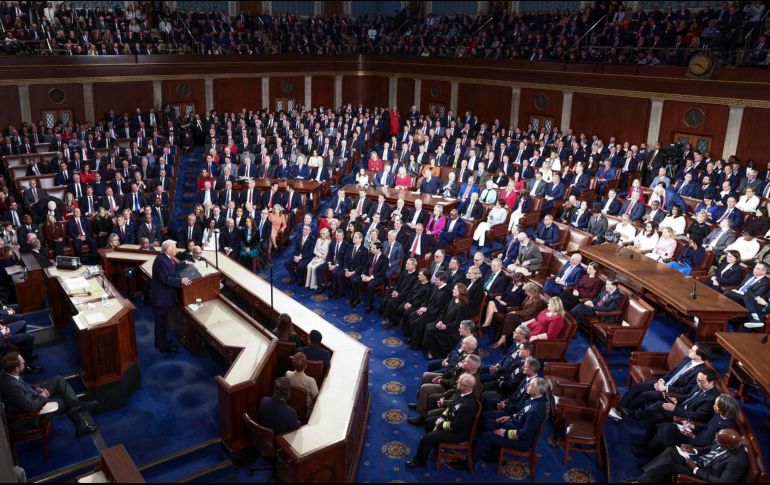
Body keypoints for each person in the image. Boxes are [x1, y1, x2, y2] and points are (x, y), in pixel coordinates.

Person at [0, 352, 98, 437]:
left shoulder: (8, 373)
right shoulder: (12, 387)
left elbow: (24, 385)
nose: (25, 362)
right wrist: (42, 396)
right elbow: (30, 407)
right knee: (64, 402)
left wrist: (36, 389)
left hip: (32, 396)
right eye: (23, 362)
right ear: (16, 369)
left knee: (58, 380)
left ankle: (76, 404)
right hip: (31, 416)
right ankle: (81, 426)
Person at [610, 343, 710, 421]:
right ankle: (619, 409)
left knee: (645, 395)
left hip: (671, 392)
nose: (689, 351)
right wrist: (662, 380)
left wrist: (665, 388)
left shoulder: (700, 372)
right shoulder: (687, 359)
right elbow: (674, 371)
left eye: (692, 350)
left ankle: (625, 411)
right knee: (638, 387)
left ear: (699, 356)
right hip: (664, 383)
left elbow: (686, 390)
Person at [405, 373, 478, 469]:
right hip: (450, 421)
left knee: (427, 438)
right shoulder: (463, 393)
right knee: (429, 421)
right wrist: (442, 417)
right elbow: (451, 407)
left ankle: (420, 461)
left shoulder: (468, 406)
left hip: (457, 433)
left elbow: (455, 426)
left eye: (459, 382)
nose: (457, 382)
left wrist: (440, 425)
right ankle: (434, 445)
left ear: (466, 386)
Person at [623, 429, 747, 483]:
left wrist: (695, 469)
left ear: (728, 445)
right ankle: (643, 477)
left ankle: (640, 481)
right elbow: (709, 448)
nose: (715, 441)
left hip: (703, 475)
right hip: (699, 461)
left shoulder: (737, 462)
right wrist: (694, 450)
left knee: (670, 466)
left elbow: (720, 482)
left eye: (718, 441)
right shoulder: (725, 439)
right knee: (671, 451)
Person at [473, 377, 548, 463]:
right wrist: (509, 417)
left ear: (537, 391)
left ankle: (469, 463)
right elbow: (522, 413)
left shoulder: (536, 410)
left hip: (520, 440)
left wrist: (504, 433)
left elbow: (525, 433)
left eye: (530, 385)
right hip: (514, 425)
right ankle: (492, 451)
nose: (527, 385)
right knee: (487, 424)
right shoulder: (534, 399)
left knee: (485, 437)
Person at [149, 240, 192, 353]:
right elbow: (166, 279)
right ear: (168, 249)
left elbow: (173, 267)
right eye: (174, 247)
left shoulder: (166, 258)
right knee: (161, 322)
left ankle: (160, 342)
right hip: (161, 298)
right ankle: (163, 346)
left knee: (161, 322)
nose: (176, 249)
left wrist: (185, 263)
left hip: (163, 297)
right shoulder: (161, 261)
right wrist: (180, 280)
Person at [491, 282, 544, 349]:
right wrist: (514, 311)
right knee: (509, 316)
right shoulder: (529, 295)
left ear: (532, 291)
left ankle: (501, 339)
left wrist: (515, 312)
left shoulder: (537, 301)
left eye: (527, 291)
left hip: (528, 318)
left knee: (510, 317)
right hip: (522, 314)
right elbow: (523, 307)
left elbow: (528, 312)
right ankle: (502, 338)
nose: (525, 293)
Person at [426, 284, 471, 359]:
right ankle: (433, 350)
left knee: (434, 332)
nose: (452, 290)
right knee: (431, 328)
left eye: (455, 289)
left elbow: (458, 323)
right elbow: (444, 311)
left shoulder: (463, 305)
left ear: (460, 292)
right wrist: (440, 321)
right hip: (445, 323)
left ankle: (437, 355)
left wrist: (445, 327)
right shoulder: (453, 299)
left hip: (454, 330)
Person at [285, 352, 319, 416]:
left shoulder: (287, 374)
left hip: (290, 405)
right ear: (306, 365)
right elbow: (316, 397)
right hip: (306, 411)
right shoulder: (311, 381)